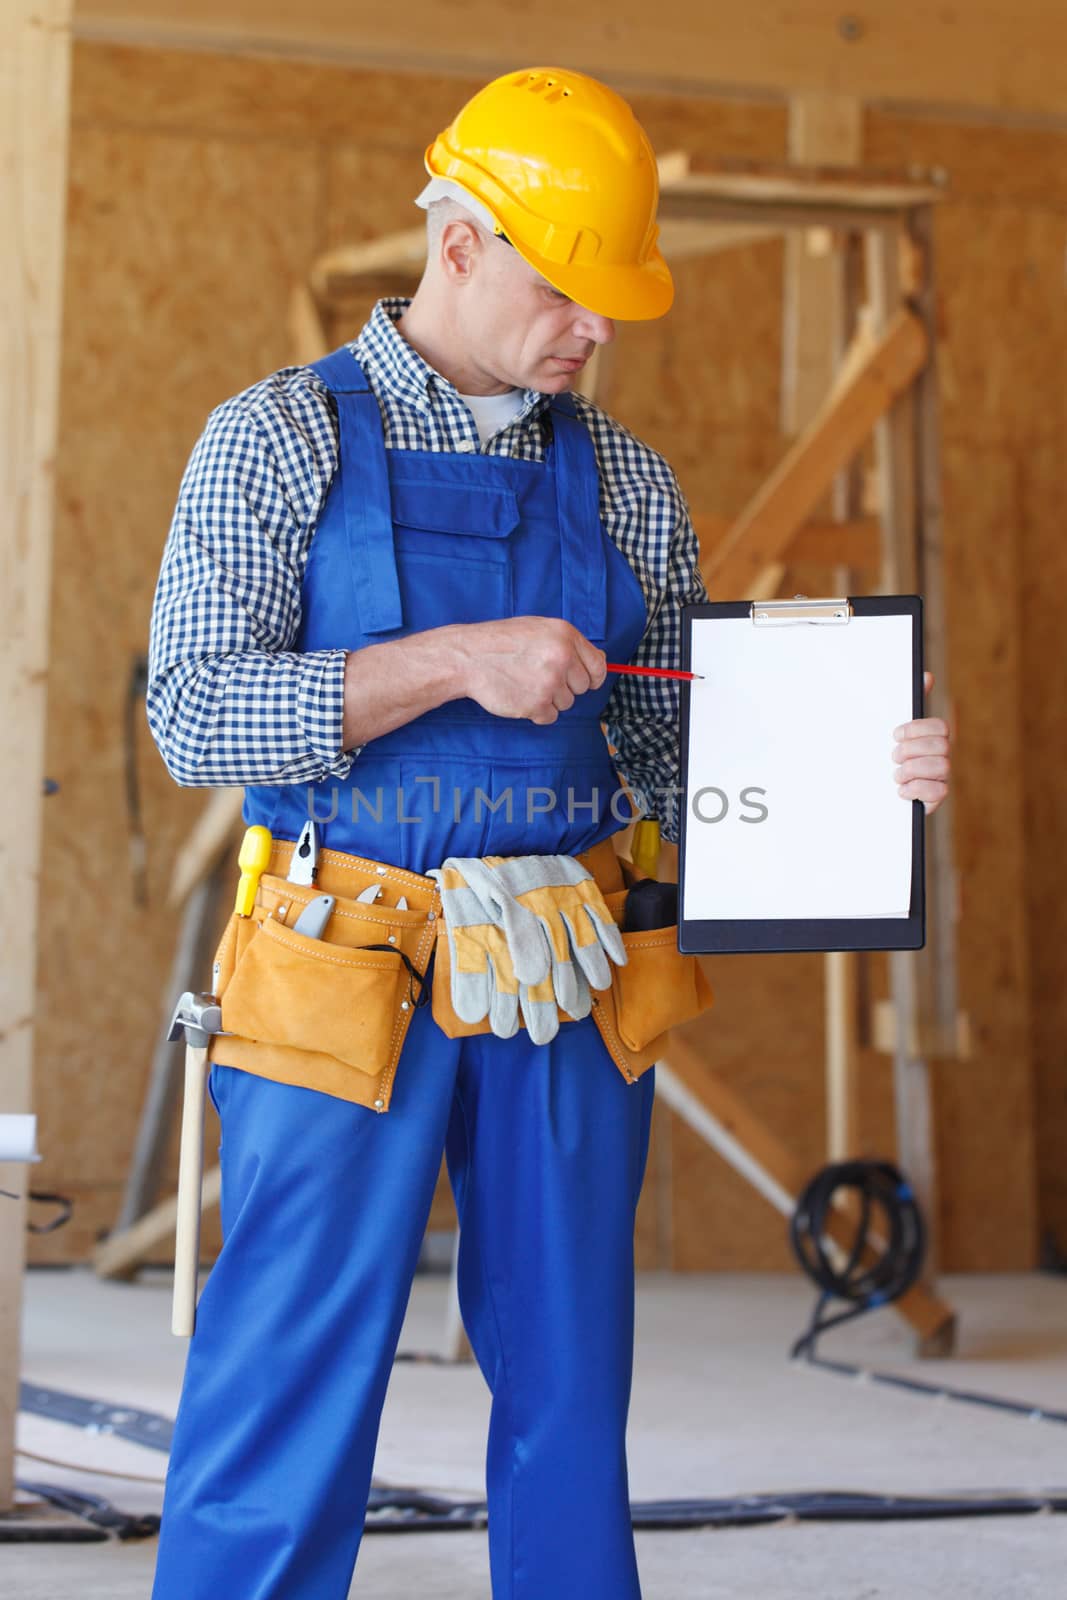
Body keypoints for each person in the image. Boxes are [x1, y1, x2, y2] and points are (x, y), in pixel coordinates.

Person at [145, 66, 951, 1600]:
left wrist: (871, 772)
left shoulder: (626, 480)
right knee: (285, 1387)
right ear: (457, 244)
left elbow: (680, 749)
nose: (595, 330)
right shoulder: (274, 442)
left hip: (565, 974)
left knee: (574, 1399)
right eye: (566, 290)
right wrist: (459, 658)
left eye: (608, 302)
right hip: (340, 967)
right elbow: (194, 712)